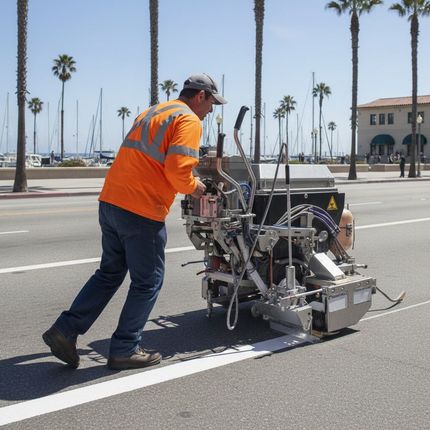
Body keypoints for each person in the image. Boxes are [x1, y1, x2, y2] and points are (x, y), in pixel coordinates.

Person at [42, 73, 227, 370]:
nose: (211, 111)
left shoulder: (155, 111)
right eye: (211, 104)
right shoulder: (189, 120)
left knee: (109, 273)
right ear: (200, 96)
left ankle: (65, 330)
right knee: (148, 280)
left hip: (112, 201)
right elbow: (179, 173)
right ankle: (125, 348)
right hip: (141, 209)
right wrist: (198, 187)